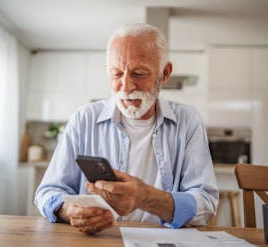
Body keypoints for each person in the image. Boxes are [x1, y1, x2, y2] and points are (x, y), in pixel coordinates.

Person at [34, 23, 218, 234]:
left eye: (139, 74)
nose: (126, 86)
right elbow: (47, 192)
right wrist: (68, 210)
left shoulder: (188, 120)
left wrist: (146, 198)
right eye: (117, 74)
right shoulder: (83, 119)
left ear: (165, 73)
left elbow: (206, 204)